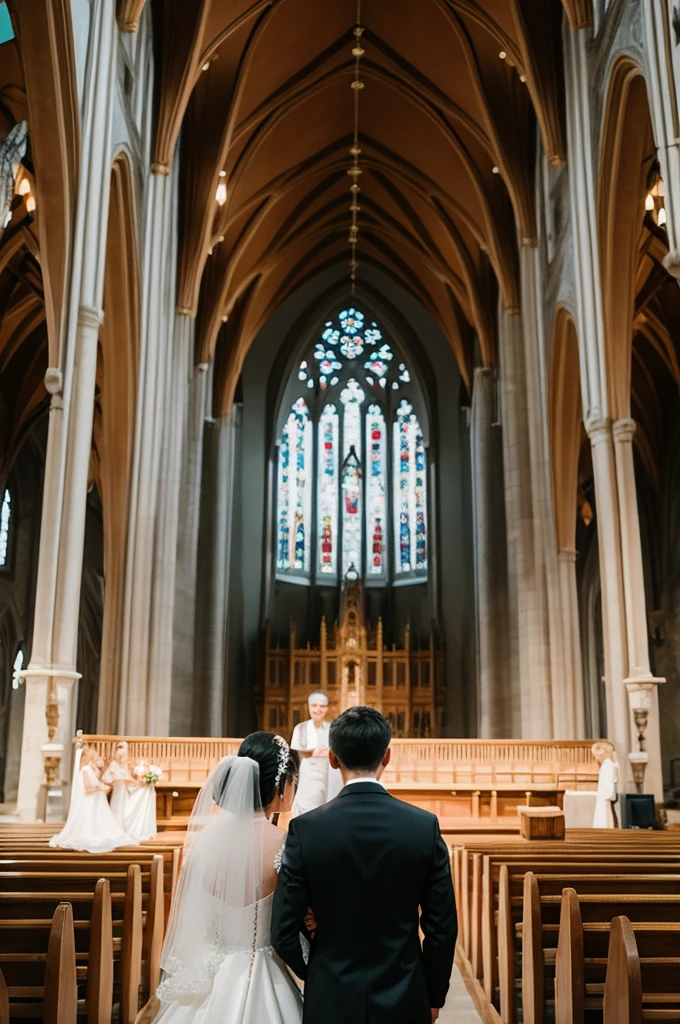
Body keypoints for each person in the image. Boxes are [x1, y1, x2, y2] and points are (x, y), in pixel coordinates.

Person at [272, 706, 457, 1024]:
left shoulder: (305, 829)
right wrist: (434, 992)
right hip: (405, 992)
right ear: (386, 757)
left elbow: (283, 930)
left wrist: (316, 972)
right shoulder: (423, 826)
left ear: (332, 759)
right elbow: (441, 928)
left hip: (331, 993)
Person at [152, 733, 303, 1024]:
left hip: (215, 971)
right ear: (280, 785)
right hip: (265, 972)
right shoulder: (286, 843)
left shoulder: (206, 844)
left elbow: (201, 919)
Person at [50, 747, 134, 853]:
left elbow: (93, 784)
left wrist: (101, 787)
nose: (96, 756)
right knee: (90, 819)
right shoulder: (85, 769)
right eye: (93, 754)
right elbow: (88, 788)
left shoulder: (89, 768)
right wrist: (101, 788)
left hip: (95, 800)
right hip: (90, 800)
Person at [290, 691, 342, 816]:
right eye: (314, 705)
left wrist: (321, 752)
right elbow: (297, 752)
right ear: (309, 707)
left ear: (327, 708)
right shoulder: (301, 728)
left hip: (329, 776)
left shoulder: (332, 729)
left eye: (322, 706)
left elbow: (336, 751)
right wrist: (316, 752)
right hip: (308, 777)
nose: (318, 709)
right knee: (308, 811)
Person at [101, 741, 135, 827]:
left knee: (124, 806)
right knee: (117, 805)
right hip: (118, 788)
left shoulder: (125, 765)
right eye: (120, 756)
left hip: (124, 788)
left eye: (123, 756)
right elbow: (108, 778)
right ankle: (115, 825)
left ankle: (124, 825)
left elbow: (128, 776)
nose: (121, 758)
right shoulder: (113, 764)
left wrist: (133, 781)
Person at [592, 740, 619, 828]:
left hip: (605, 795)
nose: (595, 758)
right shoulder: (607, 764)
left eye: (595, 755)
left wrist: (608, 794)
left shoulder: (608, 764)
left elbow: (609, 781)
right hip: (604, 794)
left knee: (605, 813)